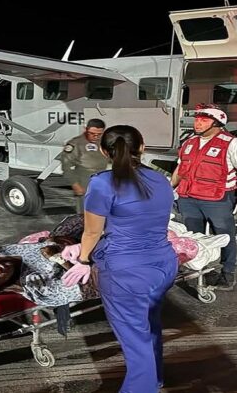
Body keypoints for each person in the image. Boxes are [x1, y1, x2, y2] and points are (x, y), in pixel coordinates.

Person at [62, 125, 177, 392]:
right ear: (143, 147)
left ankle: (143, 386)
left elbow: (92, 231)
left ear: (104, 151)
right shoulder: (160, 179)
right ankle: (156, 377)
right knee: (149, 325)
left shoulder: (102, 183)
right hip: (163, 264)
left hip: (126, 272)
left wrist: (83, 261)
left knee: (135, 341)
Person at [171, 104, 237, 290]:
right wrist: (170, 188)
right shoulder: (189, 143)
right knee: (192, 236)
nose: (198, 123)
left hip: (217, 200)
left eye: (204, 120)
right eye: (197, 119)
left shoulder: (234, 144)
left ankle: (227, 273)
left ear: (217, 123)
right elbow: (181, 168)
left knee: (225, 236)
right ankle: (199, 270)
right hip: (188, 198)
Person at [60, 118, 109, 212]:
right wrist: (75, 184)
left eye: (99, 134)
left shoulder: (105, 142)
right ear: (86, 129)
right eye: (92, 133)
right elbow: (66, 166)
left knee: (102, 209)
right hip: (84, 179)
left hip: (102, 177)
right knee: (85, 212)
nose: (96, 136)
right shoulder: (76, 143)